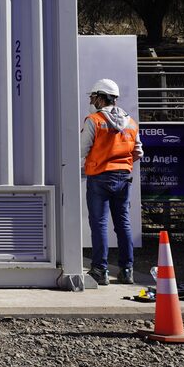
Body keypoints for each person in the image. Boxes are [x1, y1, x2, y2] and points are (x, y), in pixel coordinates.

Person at [81, 78, 143, 286]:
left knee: (99, 224)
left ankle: (100, 270)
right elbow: (138, 152)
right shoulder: (131, 122)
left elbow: (82, 149)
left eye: (93, 96)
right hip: (123, 177)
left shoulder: (94, 120)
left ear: (100, 98)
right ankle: (127, 270)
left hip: (99, 177)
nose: (91, 100)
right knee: (123, 223)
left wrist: (85, 166)